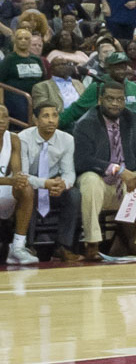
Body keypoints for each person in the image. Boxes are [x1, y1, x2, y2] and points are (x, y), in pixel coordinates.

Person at [75, 81, 136, 260]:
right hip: (103, 185)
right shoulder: (86, 122)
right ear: (100, 100)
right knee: (89, 180)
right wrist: (117, 170)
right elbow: (82, 160)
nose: (115, 104)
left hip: (129, 185)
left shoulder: (132, 118)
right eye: (110, 99)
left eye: (120, 99)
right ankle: (92, 244)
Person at [18, 103, 81, 262]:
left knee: (73, 194)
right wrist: (44, 183)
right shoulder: (23, 138)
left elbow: (69, 172)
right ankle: (28, 245)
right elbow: (22, 175)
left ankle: (63, 246)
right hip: (31, 185)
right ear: (35, 119)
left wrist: (63, 185)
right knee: (27, 191)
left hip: (54, 187)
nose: (51, 120)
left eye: (55, 115)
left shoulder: (67, 139)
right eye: (46, 116)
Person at [0, 103, 37, 266]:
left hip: (3, 190)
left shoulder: (13, 139)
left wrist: (18, 179)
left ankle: (17, 247)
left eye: (5, 116)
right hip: (4, 183)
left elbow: (16, 172)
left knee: (25, 188)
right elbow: (11, 179)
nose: (2, 120)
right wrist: (11, 180)